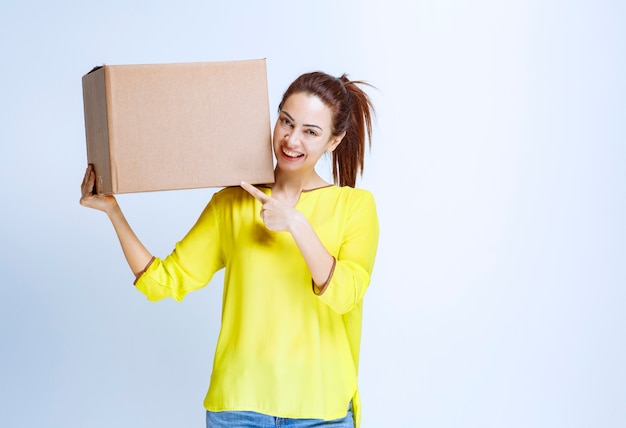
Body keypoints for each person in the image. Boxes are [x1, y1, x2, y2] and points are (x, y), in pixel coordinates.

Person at [80, 71, 379, 428]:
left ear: (334, 140)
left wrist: (297, 224)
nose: (291, 140)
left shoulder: (355, 207)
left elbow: (346, 295)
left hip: (321, 410)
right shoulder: (231, 203)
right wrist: (113, 211)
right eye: (286, 121)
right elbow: (166, 280)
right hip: (239, 409)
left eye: (310, 132)